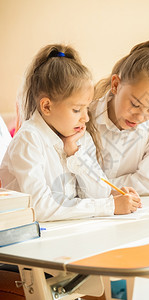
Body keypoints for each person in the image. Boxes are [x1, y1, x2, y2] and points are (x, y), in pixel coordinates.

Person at [0, 44, 141, 221]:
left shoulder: (79, 138)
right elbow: (40, 208)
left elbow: (97, 194)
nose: (86, 118)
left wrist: (76, 155)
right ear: (47, 106)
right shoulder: (29, 140)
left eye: (86, 108)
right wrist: (110, 205)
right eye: (76, 110)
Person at [91, 38, 149, 195]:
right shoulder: (86, 115)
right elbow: (75, 183)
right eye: (135, 104)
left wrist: (95, 188)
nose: (140, 117)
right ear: (115, 85)